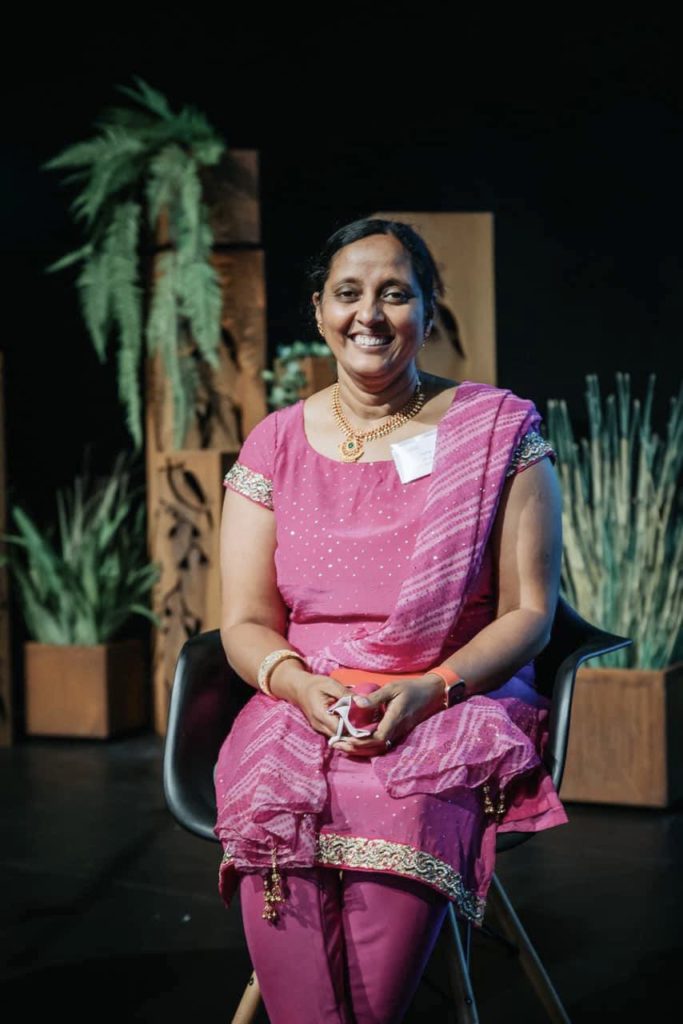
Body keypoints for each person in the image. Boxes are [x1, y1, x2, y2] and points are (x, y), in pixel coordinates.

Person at [214, 218, 568, 1024]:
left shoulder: (496, 430)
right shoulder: (274, 444)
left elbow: (528, 612)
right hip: (304, 699)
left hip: (452, 696)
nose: (368, 314)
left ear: (428, 312)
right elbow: (243, 621)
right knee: (274, 800)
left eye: (394, 294)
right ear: (318, 310)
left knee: (401, 795)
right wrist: (297, 688)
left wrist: (428, 689)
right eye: (348, 293)